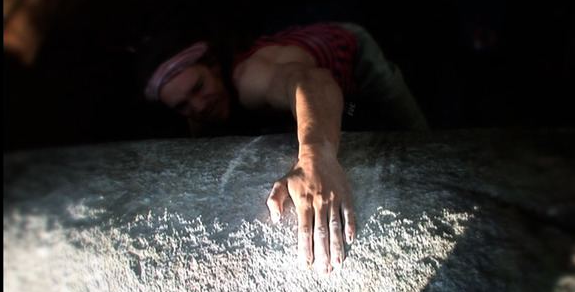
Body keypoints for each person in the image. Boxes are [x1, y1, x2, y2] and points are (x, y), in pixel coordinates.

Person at [136, 21, 429, 274]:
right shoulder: (201, 112)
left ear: (213, 65)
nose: (198, 106)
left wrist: (315, 156)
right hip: (292, 55)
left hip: (350, 51)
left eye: (198, 87)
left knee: (418, 135)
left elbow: (310, 80)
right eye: (183, 106)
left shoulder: (249, 78)